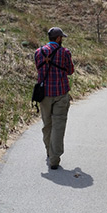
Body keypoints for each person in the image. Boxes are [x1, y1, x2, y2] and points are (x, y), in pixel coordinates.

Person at [34, 27, 74, 170]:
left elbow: (38, 69)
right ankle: (54, 158)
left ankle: (48, 152)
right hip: (61, 92)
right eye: (61, 37)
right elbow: (70, 71)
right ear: (58, 38)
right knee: (59, 125)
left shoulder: (39, 52)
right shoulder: (65, 52)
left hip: (44, 94)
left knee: (47, 124)